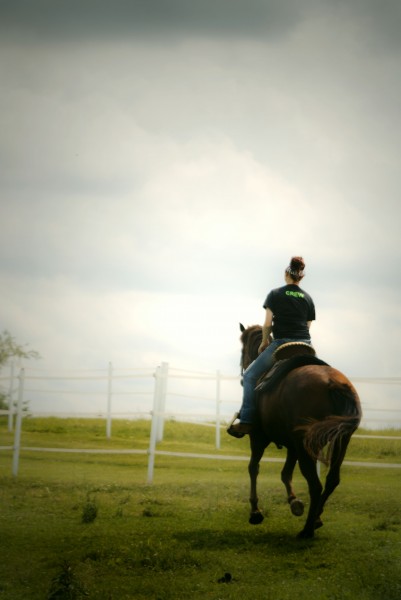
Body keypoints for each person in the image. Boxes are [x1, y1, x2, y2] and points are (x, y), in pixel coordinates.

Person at [227, 256, 316, 438]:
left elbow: (267, 324)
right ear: (301, 277)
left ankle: (247, 421)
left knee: (250, 376)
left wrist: (264, 341)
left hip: (282, 343)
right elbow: (307, 327)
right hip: (306, 345)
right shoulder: (308, 298)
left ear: (286, 274)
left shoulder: (275, 294)